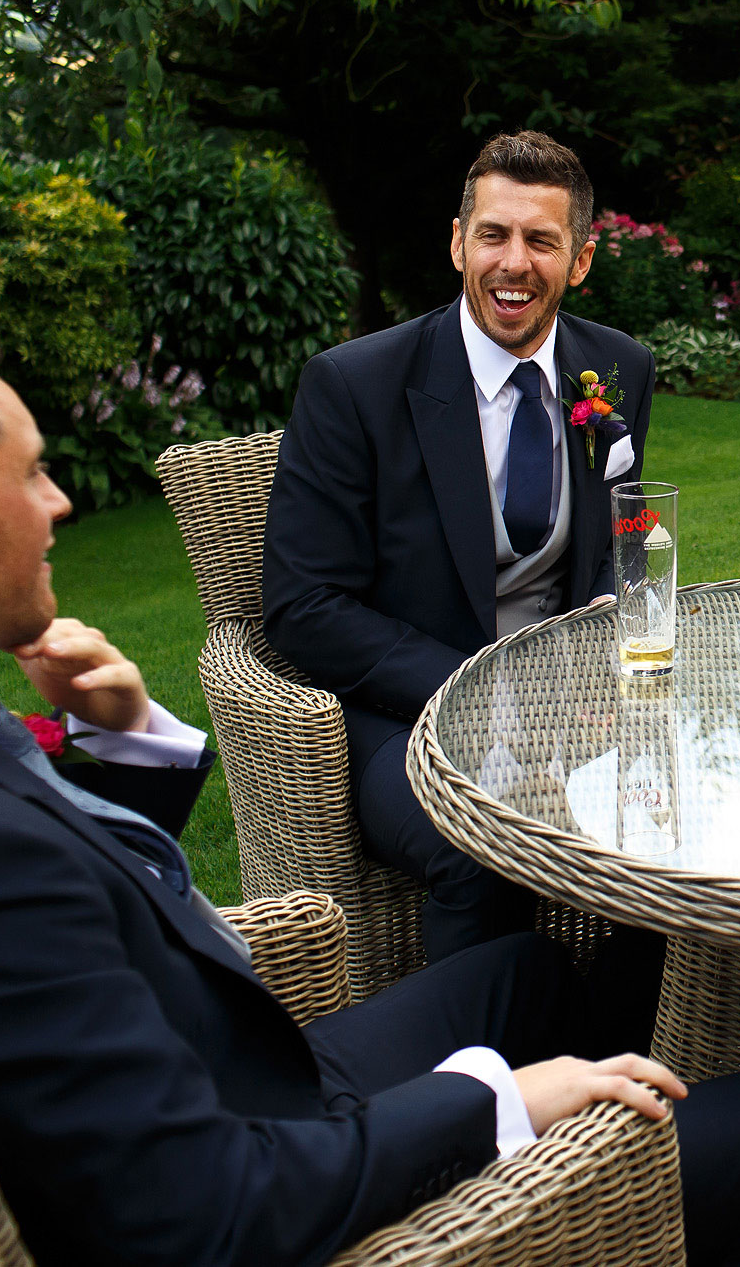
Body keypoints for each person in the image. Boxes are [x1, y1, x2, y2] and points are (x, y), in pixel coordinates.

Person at [0, 300, 740, 1267]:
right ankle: (601, 1202)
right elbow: (208, 1214)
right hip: (284, 1152)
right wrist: (495, 1103)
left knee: (534, 974)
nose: (60, 502)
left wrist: (129, 743)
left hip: (240, 1076)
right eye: (33, 471)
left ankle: (626, 1141)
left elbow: (87, 914)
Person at [264, 130, 657, 963]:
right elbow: (303, 609)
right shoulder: (353, 385)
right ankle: (485, 1077)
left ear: (579, 260)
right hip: (402, 714)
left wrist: (611, 598)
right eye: (494, 235)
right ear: (457, 242)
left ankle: (633, 1044)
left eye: (541, 241)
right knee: (481, 851)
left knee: (664, 814)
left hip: (571, 708)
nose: (514, 263)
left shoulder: (617, 367)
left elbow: (618, 538)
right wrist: (479, 686)